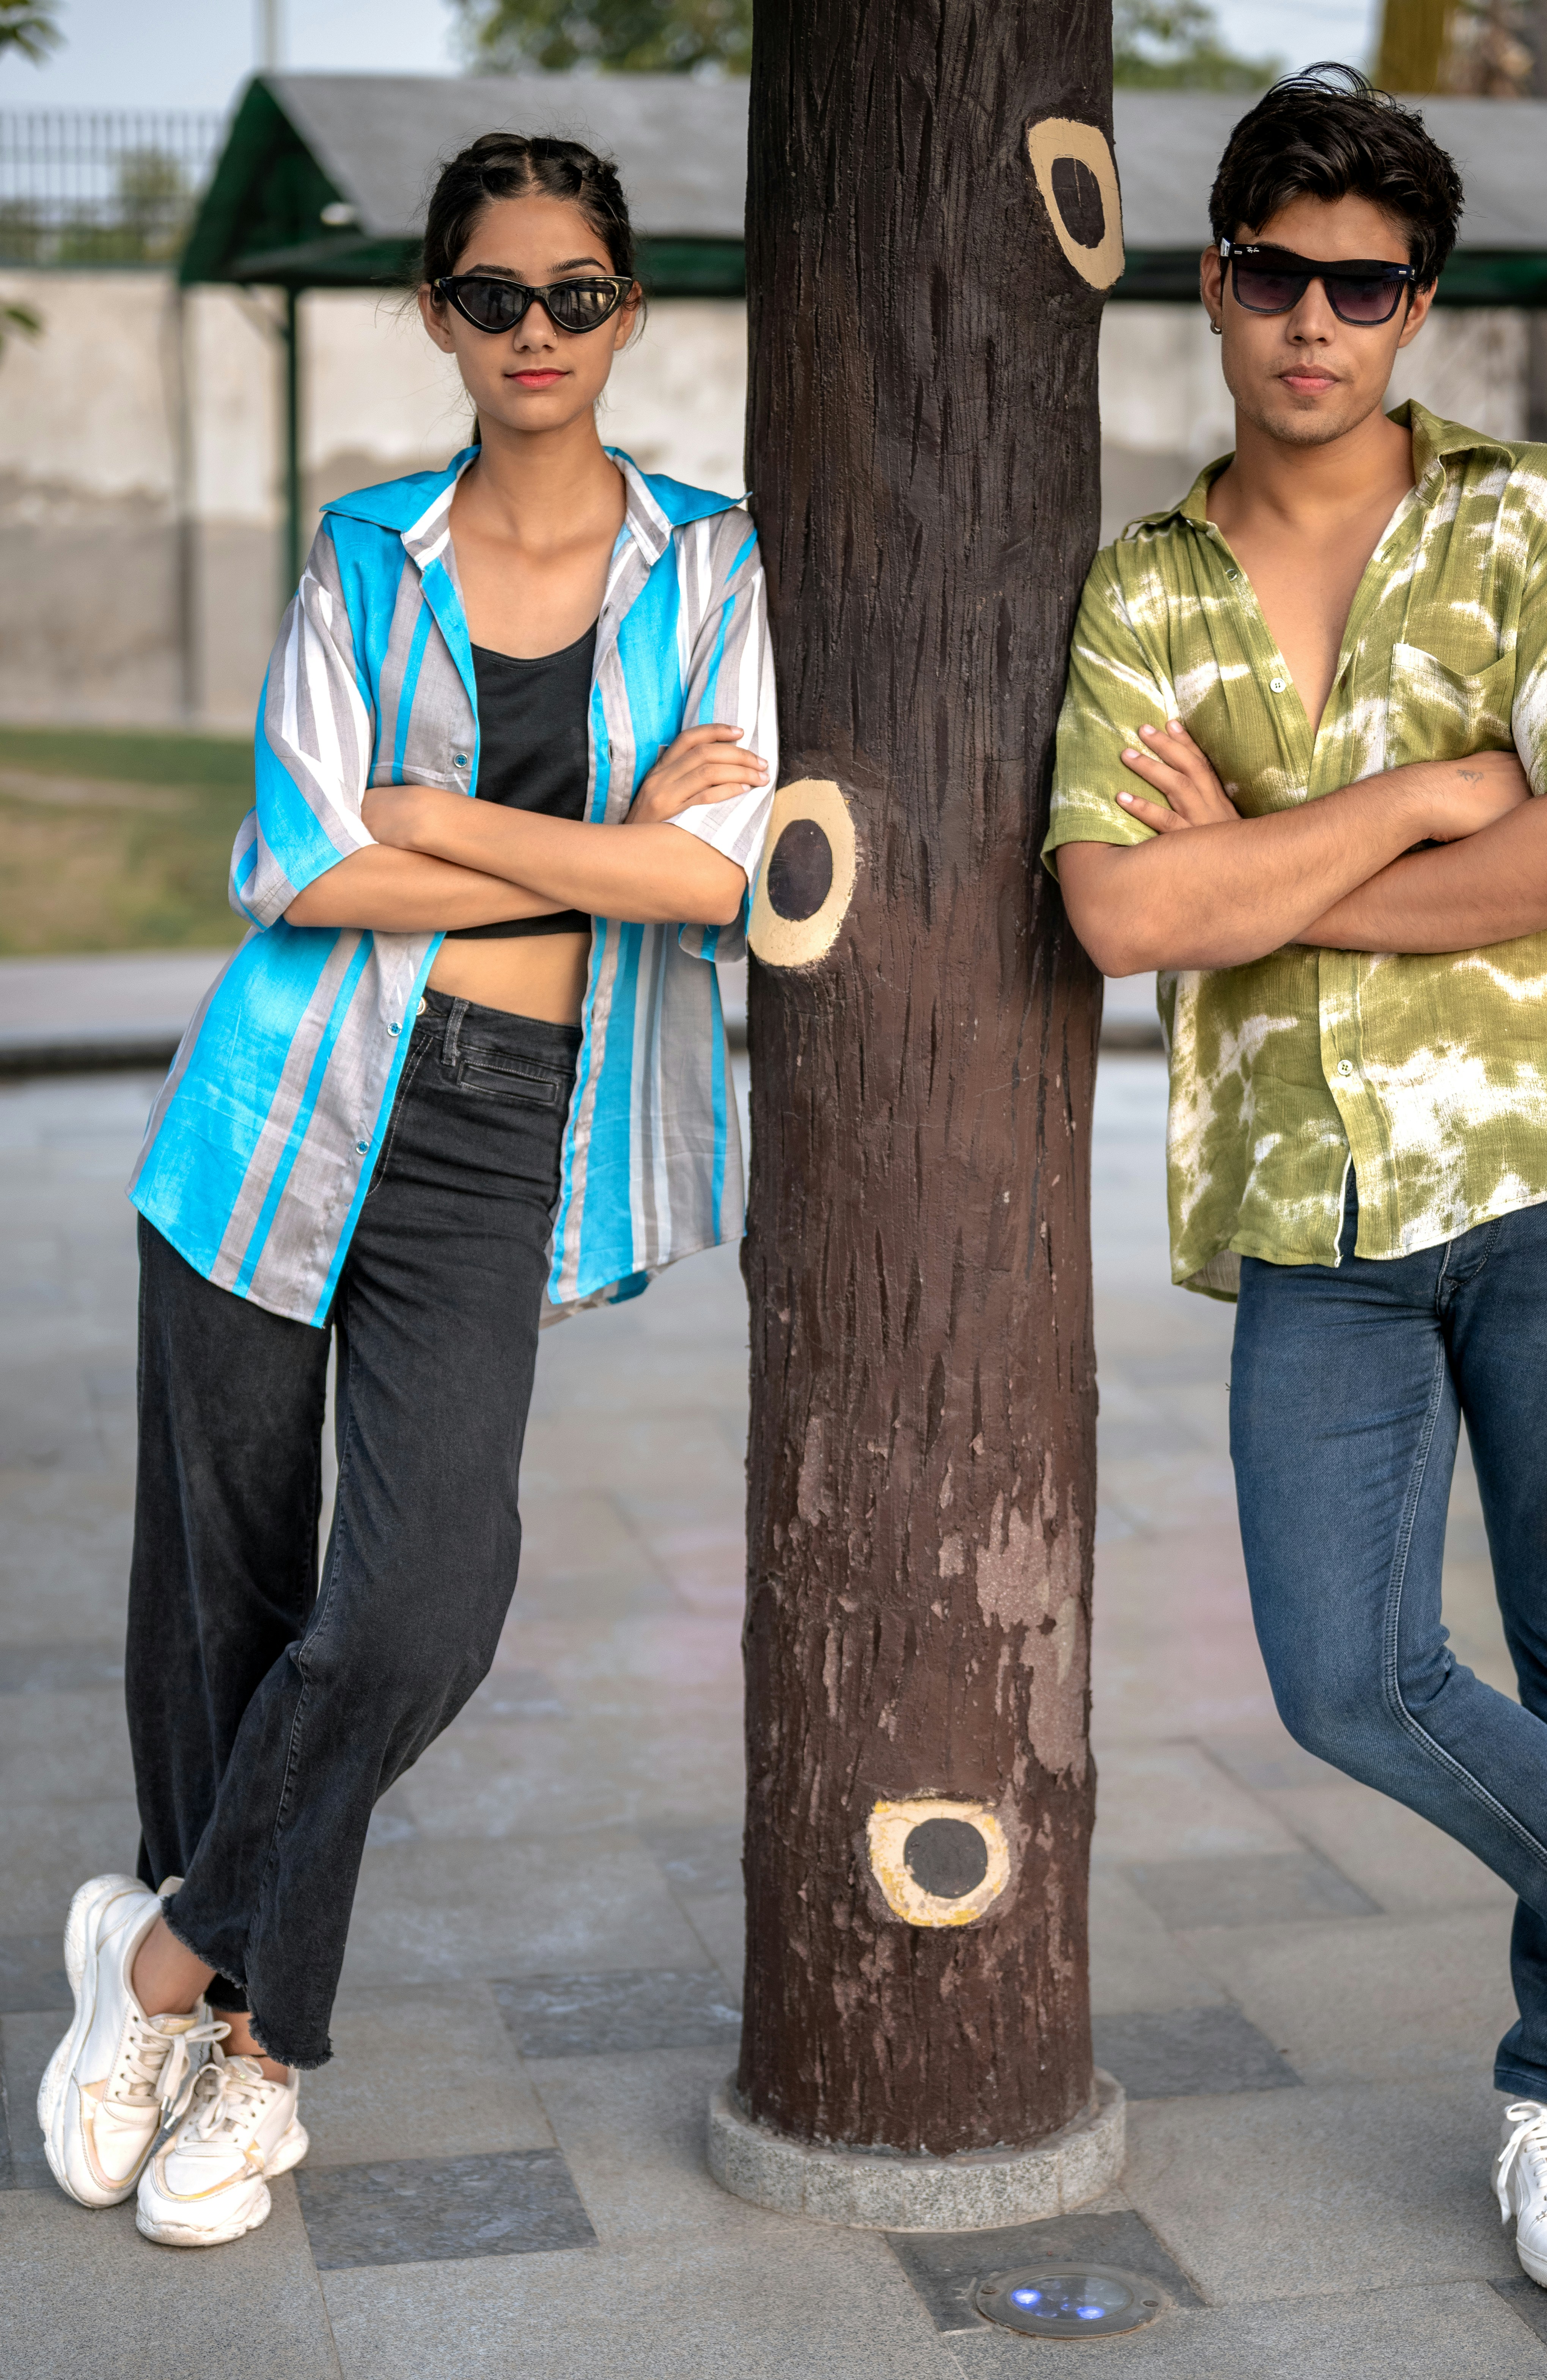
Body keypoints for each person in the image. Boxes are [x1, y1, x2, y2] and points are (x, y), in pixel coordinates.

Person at [1047, 66, 1547, 2300]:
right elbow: (1125, 918)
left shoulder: (1539, 520)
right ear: (1215, 286)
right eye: (1276, 276)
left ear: (1420, 305)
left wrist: (1261, 870)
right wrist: (1426, 795)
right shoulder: (1140, 588)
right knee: (1345, 1670)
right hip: (1305, 1199)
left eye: (1367, 284)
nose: (1317, 321)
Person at [38, 131, 777, 2249]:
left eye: (572, 294)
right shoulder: (363, 547)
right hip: (279, 1105)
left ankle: (165, 1957)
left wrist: (467, 825)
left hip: (502, 1124)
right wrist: (603, 828)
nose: (533, 331)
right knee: (231, 1606)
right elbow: (298, 858)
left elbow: (715, 885)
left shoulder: (716, 562)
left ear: (628, 314)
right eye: (491, 294)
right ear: (436, 313)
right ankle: (249, 2064)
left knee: (422, 1603)